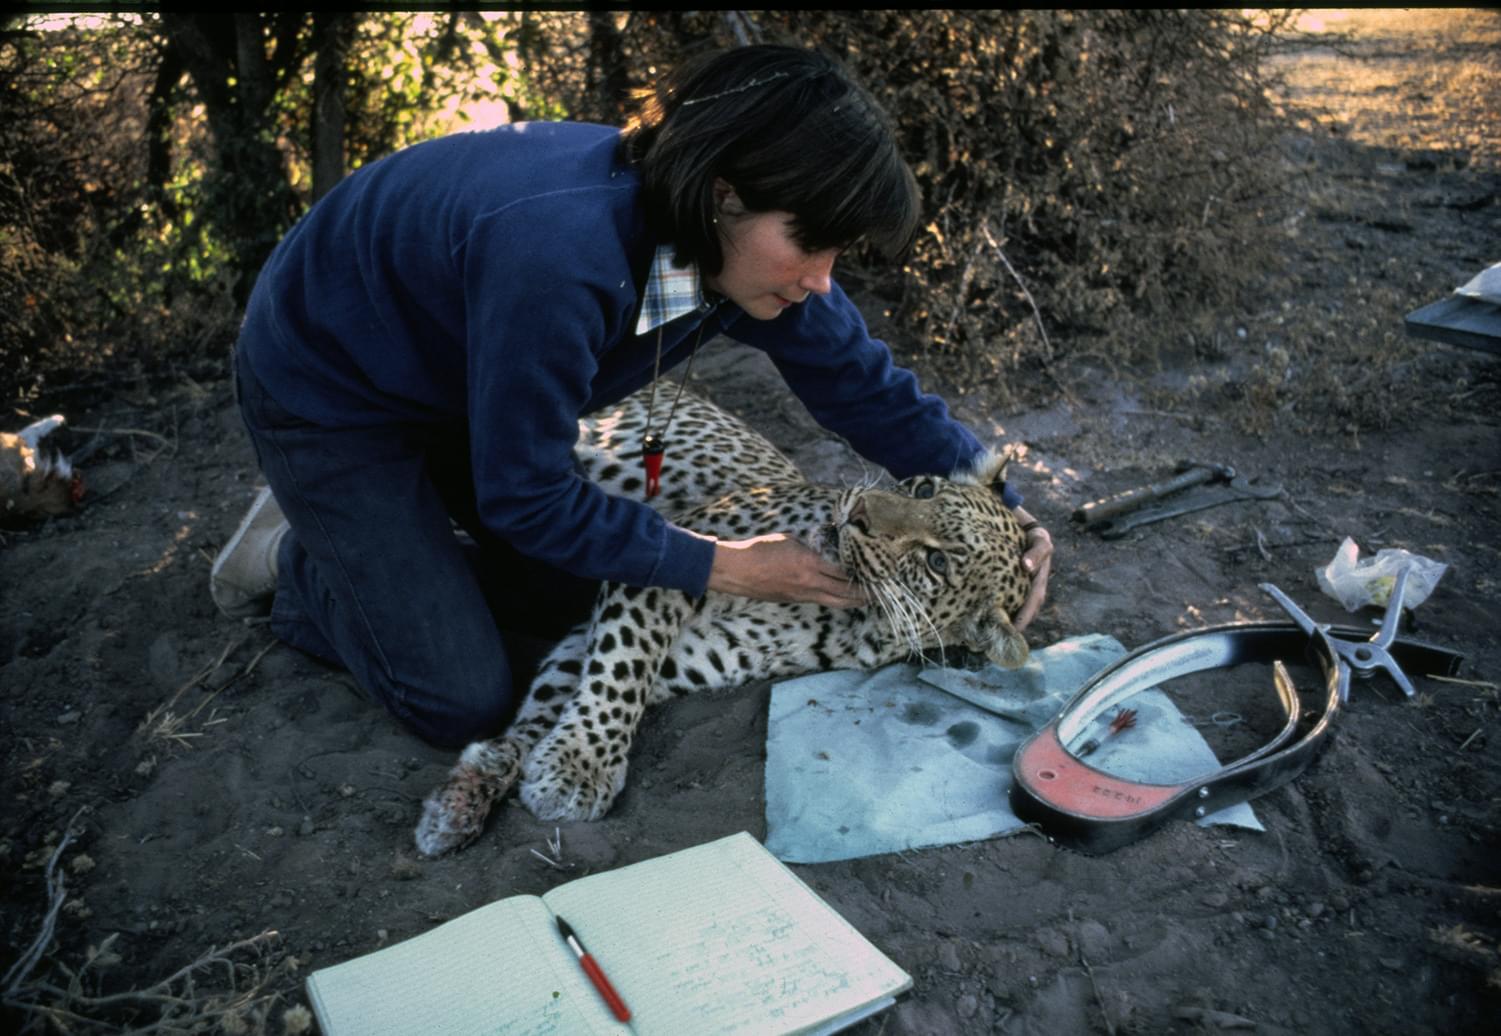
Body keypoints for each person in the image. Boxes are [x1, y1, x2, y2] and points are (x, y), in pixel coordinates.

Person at [211, 44, 1054, 749]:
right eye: (811, 244)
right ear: (727, 193)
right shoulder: (559, 257)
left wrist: (1001, 514)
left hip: (465, 385)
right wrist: (732, 566)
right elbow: (527, 495)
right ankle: (297, 555)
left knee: (587, 596)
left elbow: (867, 391)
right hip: (333, 394)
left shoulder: (743, 252)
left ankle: (396, 552)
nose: (822, 281)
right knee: (460, 698)